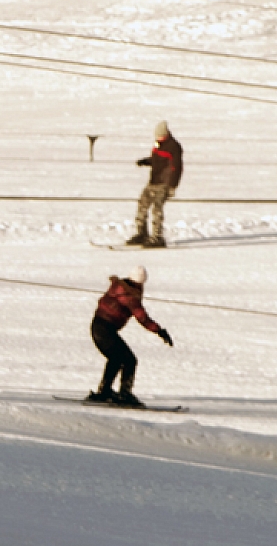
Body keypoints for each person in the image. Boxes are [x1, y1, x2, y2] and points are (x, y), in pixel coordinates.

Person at [87, 266, 173, 407]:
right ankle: (124, 394)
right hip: (104, 330)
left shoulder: (120, 287)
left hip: (99, 327)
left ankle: (105, 391)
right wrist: (159, 330)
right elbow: (142, 317)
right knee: (129, 360)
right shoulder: (129, 295)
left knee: (116, 358)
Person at [126, 120, 183, 248]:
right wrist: (146, 161)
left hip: (165, 183)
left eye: (160, 135)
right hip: (154, 181)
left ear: (166, 134)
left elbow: (177, 168)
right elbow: (159, 160)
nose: (158, 138)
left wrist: (172, 186)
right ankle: (142, 233)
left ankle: (157, 237)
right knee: (142, 204)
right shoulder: (159, 144)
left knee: (157, 209)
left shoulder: (174, 147)